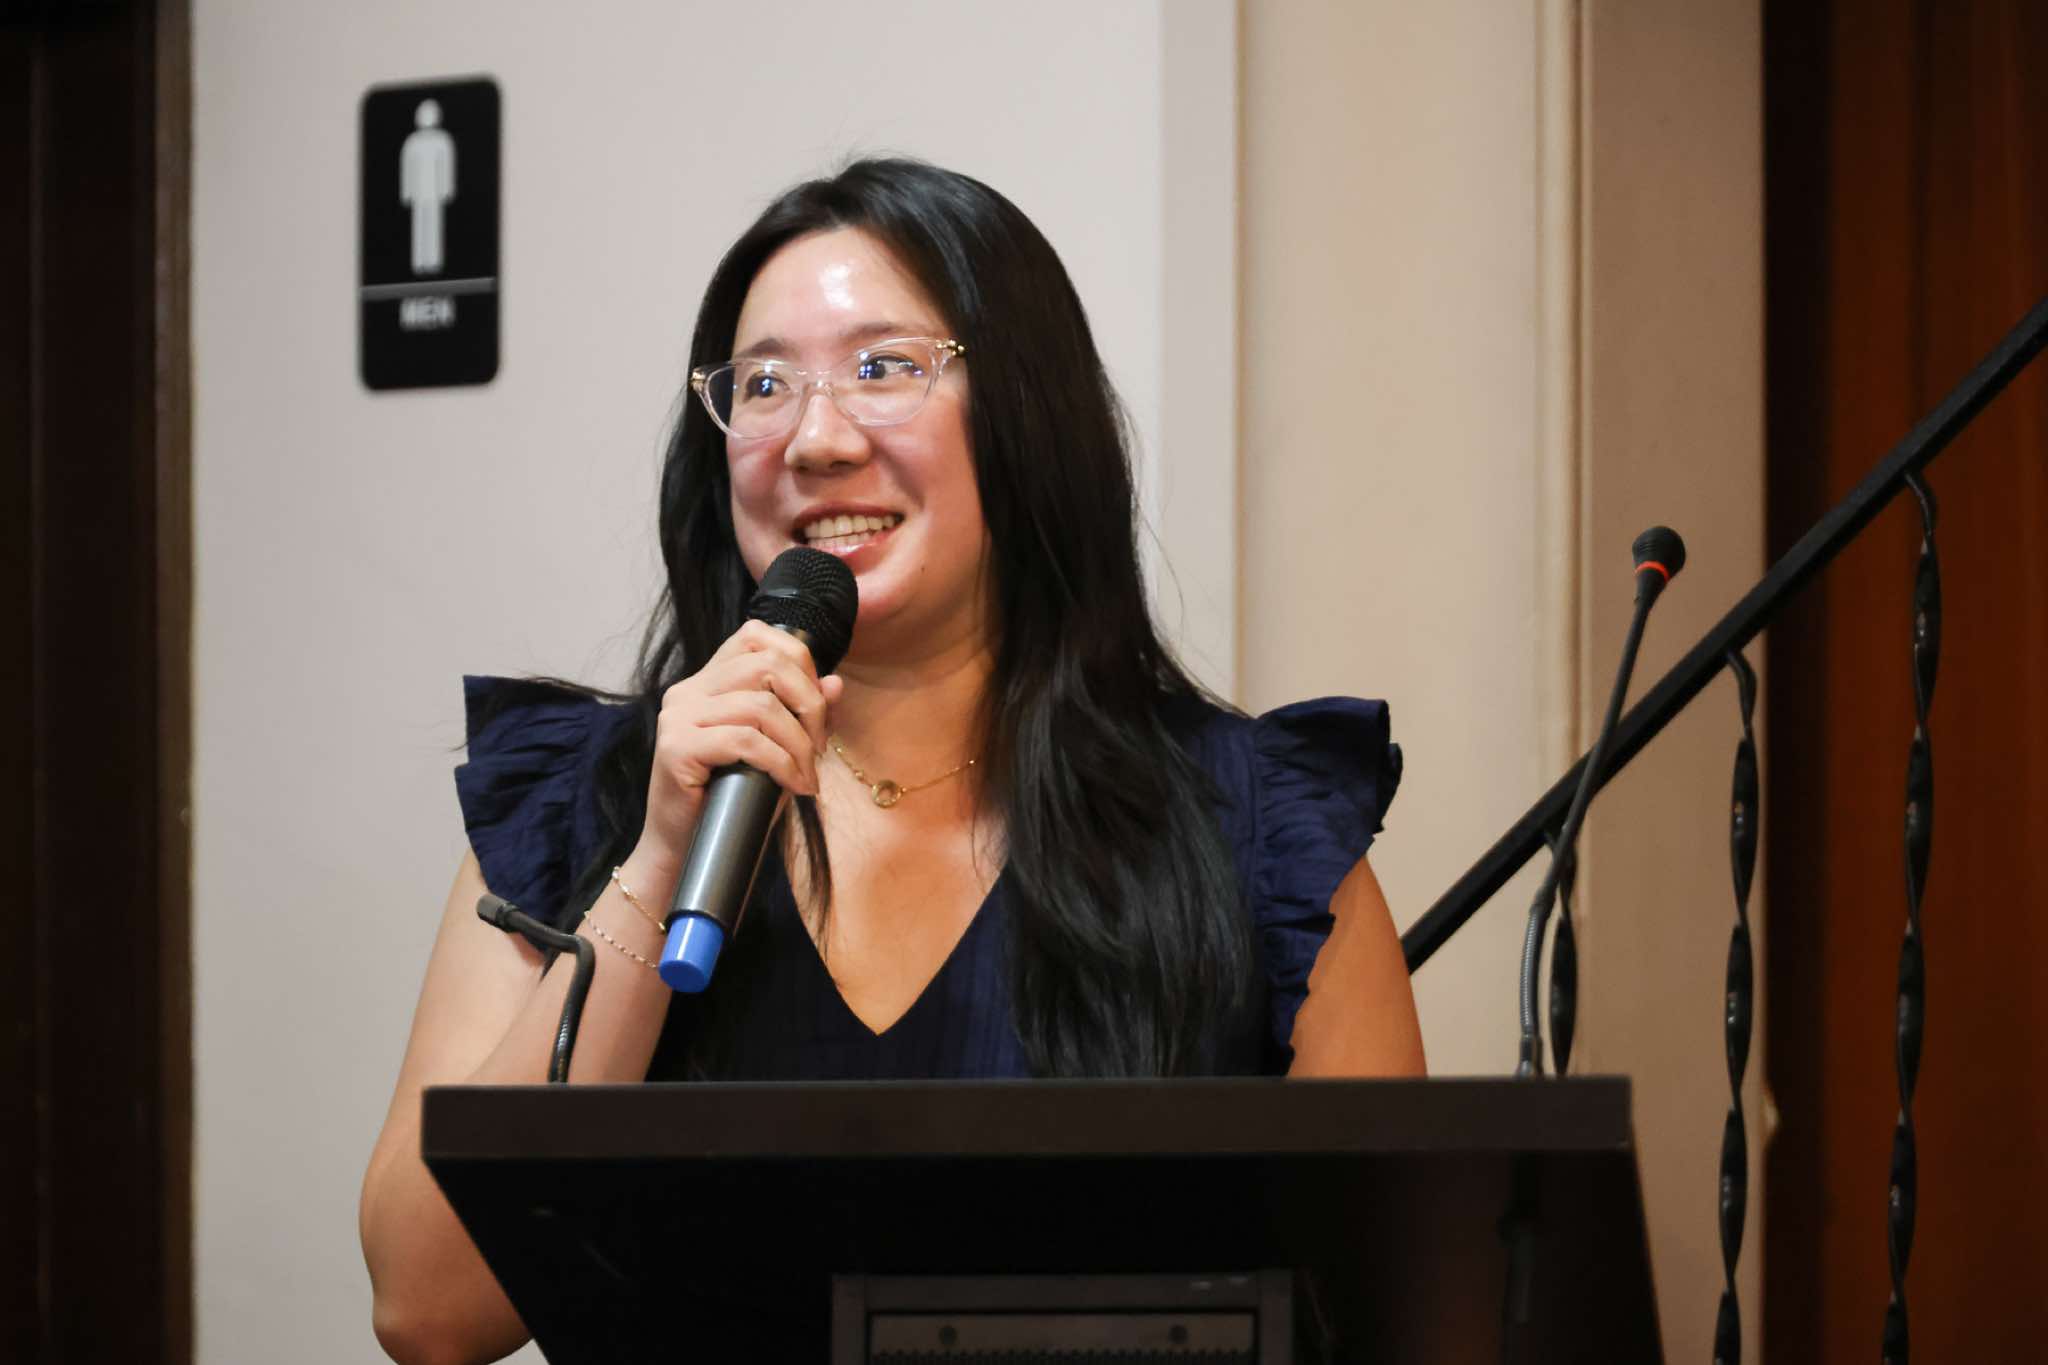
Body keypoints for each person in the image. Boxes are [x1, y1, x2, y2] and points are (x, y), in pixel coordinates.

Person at [359, 157, 1424, 1364]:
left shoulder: (1258, 833)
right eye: (765, 385)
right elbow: (427, 1309)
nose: (814, 439)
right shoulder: (581, 804)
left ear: (1024, 413)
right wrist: (654, 865)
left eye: (882, 368)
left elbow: (1406, 1320)